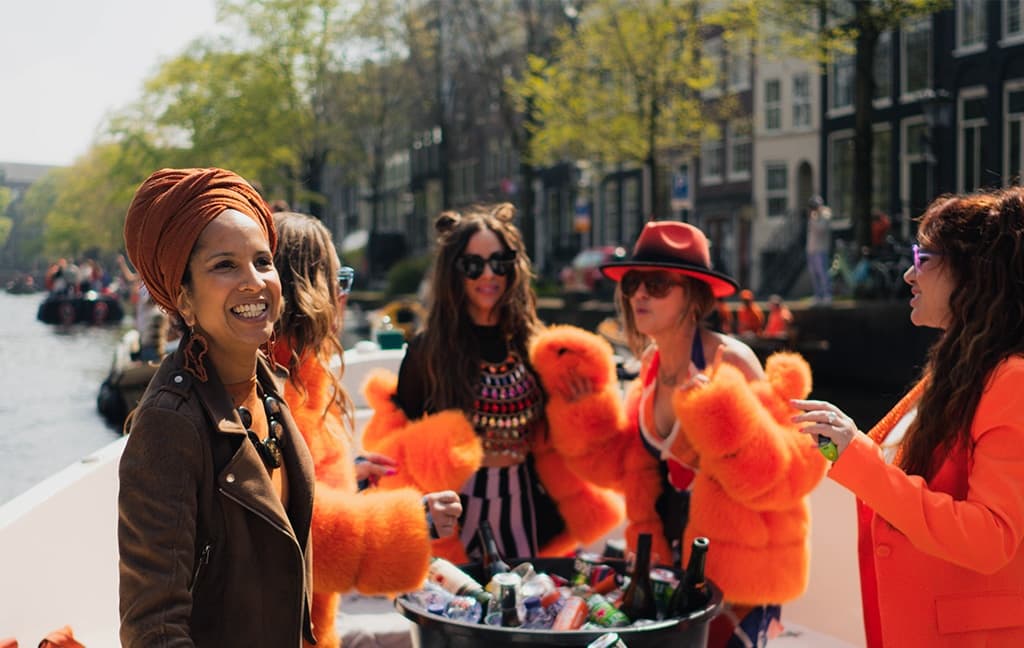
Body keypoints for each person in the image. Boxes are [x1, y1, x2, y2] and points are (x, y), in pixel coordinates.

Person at [542, 221, 827, 647]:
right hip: (669, 572)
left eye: (657, 284)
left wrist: (724, 421)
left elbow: (787, 475)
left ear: (694, 296)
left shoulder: (730, 362)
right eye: (633, 283)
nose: (639, 294)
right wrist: (584, 413)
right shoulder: (650, 366)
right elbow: (628, 470)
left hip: (737, 581)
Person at [791, 188, 1024, 647]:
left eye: (924, 258)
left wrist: (855, 455)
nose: (908, 273)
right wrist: (840, 445)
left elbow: (991, 539)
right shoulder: (958, 369)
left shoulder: (1011, 380)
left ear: (973, 273)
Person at [117, 167, 316, 646]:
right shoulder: (169, 425)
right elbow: (154, 629)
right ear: (184, 299)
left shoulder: (268, 388)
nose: (254, 282)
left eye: (263, 261)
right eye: (225, 265)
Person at [361, 202, 623, 564]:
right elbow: (397, 442)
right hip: (456, 512)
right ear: (454, 271)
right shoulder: (429, 351)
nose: (488, 275)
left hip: (526, 505)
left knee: (529, 594)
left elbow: (565, 438)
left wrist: (581, 409)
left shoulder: (534, 345)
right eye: (474, 265)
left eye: (500, 262)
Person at [271, 211, 461, 647]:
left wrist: (348, 476)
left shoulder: (299, 374)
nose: (345, 296)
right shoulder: (279, 387)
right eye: (339, 281)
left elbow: (294, 483)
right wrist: (416, 521)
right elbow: (297, 532)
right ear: (308, 290)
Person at [806, 195, 833, 303]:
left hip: (821, 249)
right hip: (811, 249)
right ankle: (818, 295)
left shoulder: (826, 213)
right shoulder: (813, 215)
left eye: (814, 206)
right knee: (814, 274)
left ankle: (827, 294)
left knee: (822, 273)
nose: (813, 208)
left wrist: (813, 219)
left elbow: (821, 229)